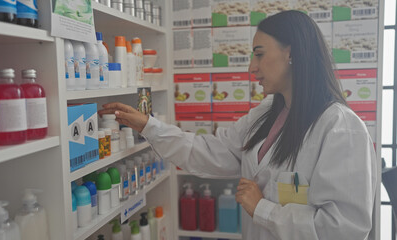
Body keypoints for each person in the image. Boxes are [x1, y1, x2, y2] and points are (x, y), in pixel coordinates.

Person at [99, 10, 377, 240]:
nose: (251, 68)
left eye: (258, 54)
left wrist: (263, 209)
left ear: (291, 53)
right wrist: (148, 125)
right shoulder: (267, 112)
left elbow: (344, 231)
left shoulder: (341, 129)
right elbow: (212, 151)